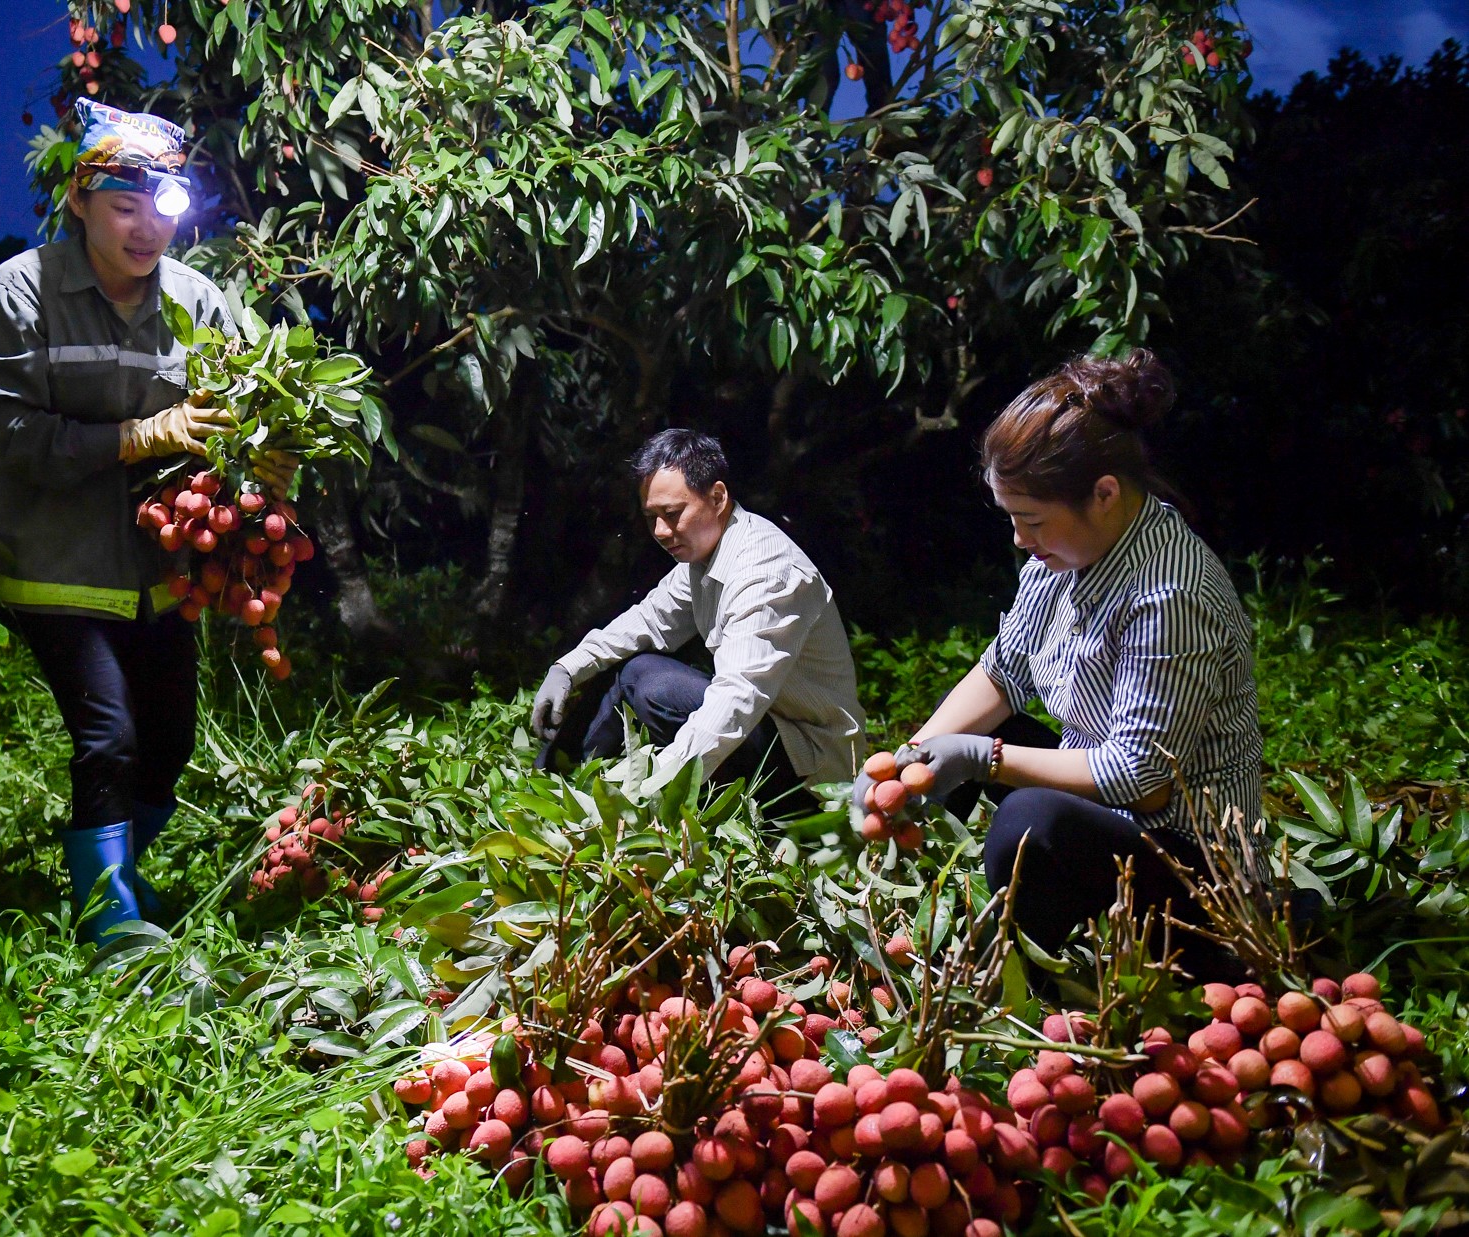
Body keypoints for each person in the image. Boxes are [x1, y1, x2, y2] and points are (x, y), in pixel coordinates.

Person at [0, 99, 294, 943]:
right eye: (122, 207)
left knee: (171, 738)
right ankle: (107, 922)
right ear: (78, 202)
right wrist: (134, 437)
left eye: (163, 208)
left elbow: (236, 410)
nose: (146, 228)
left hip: (157, 567)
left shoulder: (196, 300)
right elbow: (6, 436)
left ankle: (117, 869)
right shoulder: (17, 294)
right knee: (107, 734)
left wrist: (266, 458)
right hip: (55, 560)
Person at [856, 350, 1261, 973]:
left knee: (1029, 812)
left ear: (1104, 494)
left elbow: (1140, 777)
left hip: (1192, 874)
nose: (1020, 538)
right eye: (1013, 518)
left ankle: (1004, 968)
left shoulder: (1172, 593)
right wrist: (912, 758)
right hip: (1117, 821)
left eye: (1033, 520)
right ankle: (925, 921)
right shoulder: (1067, 558)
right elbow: (1005, 670)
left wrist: (984, 761)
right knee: (974, 736)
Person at [530, 429, 867, 808]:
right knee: (629, 665)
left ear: (718, 497)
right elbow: (648, 621)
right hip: (767, 729)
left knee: (651, 683)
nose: (660, 531)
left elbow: (736, 699)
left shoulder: (766, 571)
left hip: (812, 767)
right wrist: (567, 668)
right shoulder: (707, 555)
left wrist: (656, 792)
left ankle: (606, 797)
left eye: (672, 514)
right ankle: (552, 779)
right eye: (651, 517)